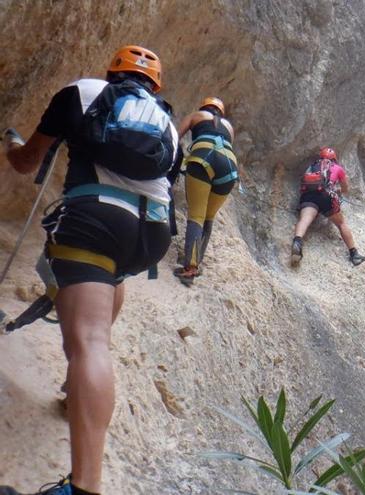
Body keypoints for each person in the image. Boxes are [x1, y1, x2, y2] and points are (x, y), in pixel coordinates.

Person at [0, 45, 177, 495]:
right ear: (154, 86)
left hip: (95, 219)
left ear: (112, 72)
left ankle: (85, 487)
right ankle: (73, 387)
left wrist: (12, 144)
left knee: (90, 341)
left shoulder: (83, 92)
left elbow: (27, 162)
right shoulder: (169, 126)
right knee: (105, 289)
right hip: (151, 235)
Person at [172, 96, 239, 286]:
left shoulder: (196, 115)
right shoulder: (229, 126)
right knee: (208, 216)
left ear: (204, 107)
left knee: (197, 215)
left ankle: (190, 268)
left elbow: (175, 137)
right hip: (229, 164)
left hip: (203, 156)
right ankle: (196, 261)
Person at [291, 147, 365, 266]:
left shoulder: (312, 165)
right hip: (326, 197)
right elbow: (345, 188)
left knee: (304, 220)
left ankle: (297, 242)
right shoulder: (338, 168)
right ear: (334, 159)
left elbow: (304, 181)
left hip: (309, 195)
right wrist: (337, 190)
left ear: (321, 156)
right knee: (341, 223)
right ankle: (354, 254)